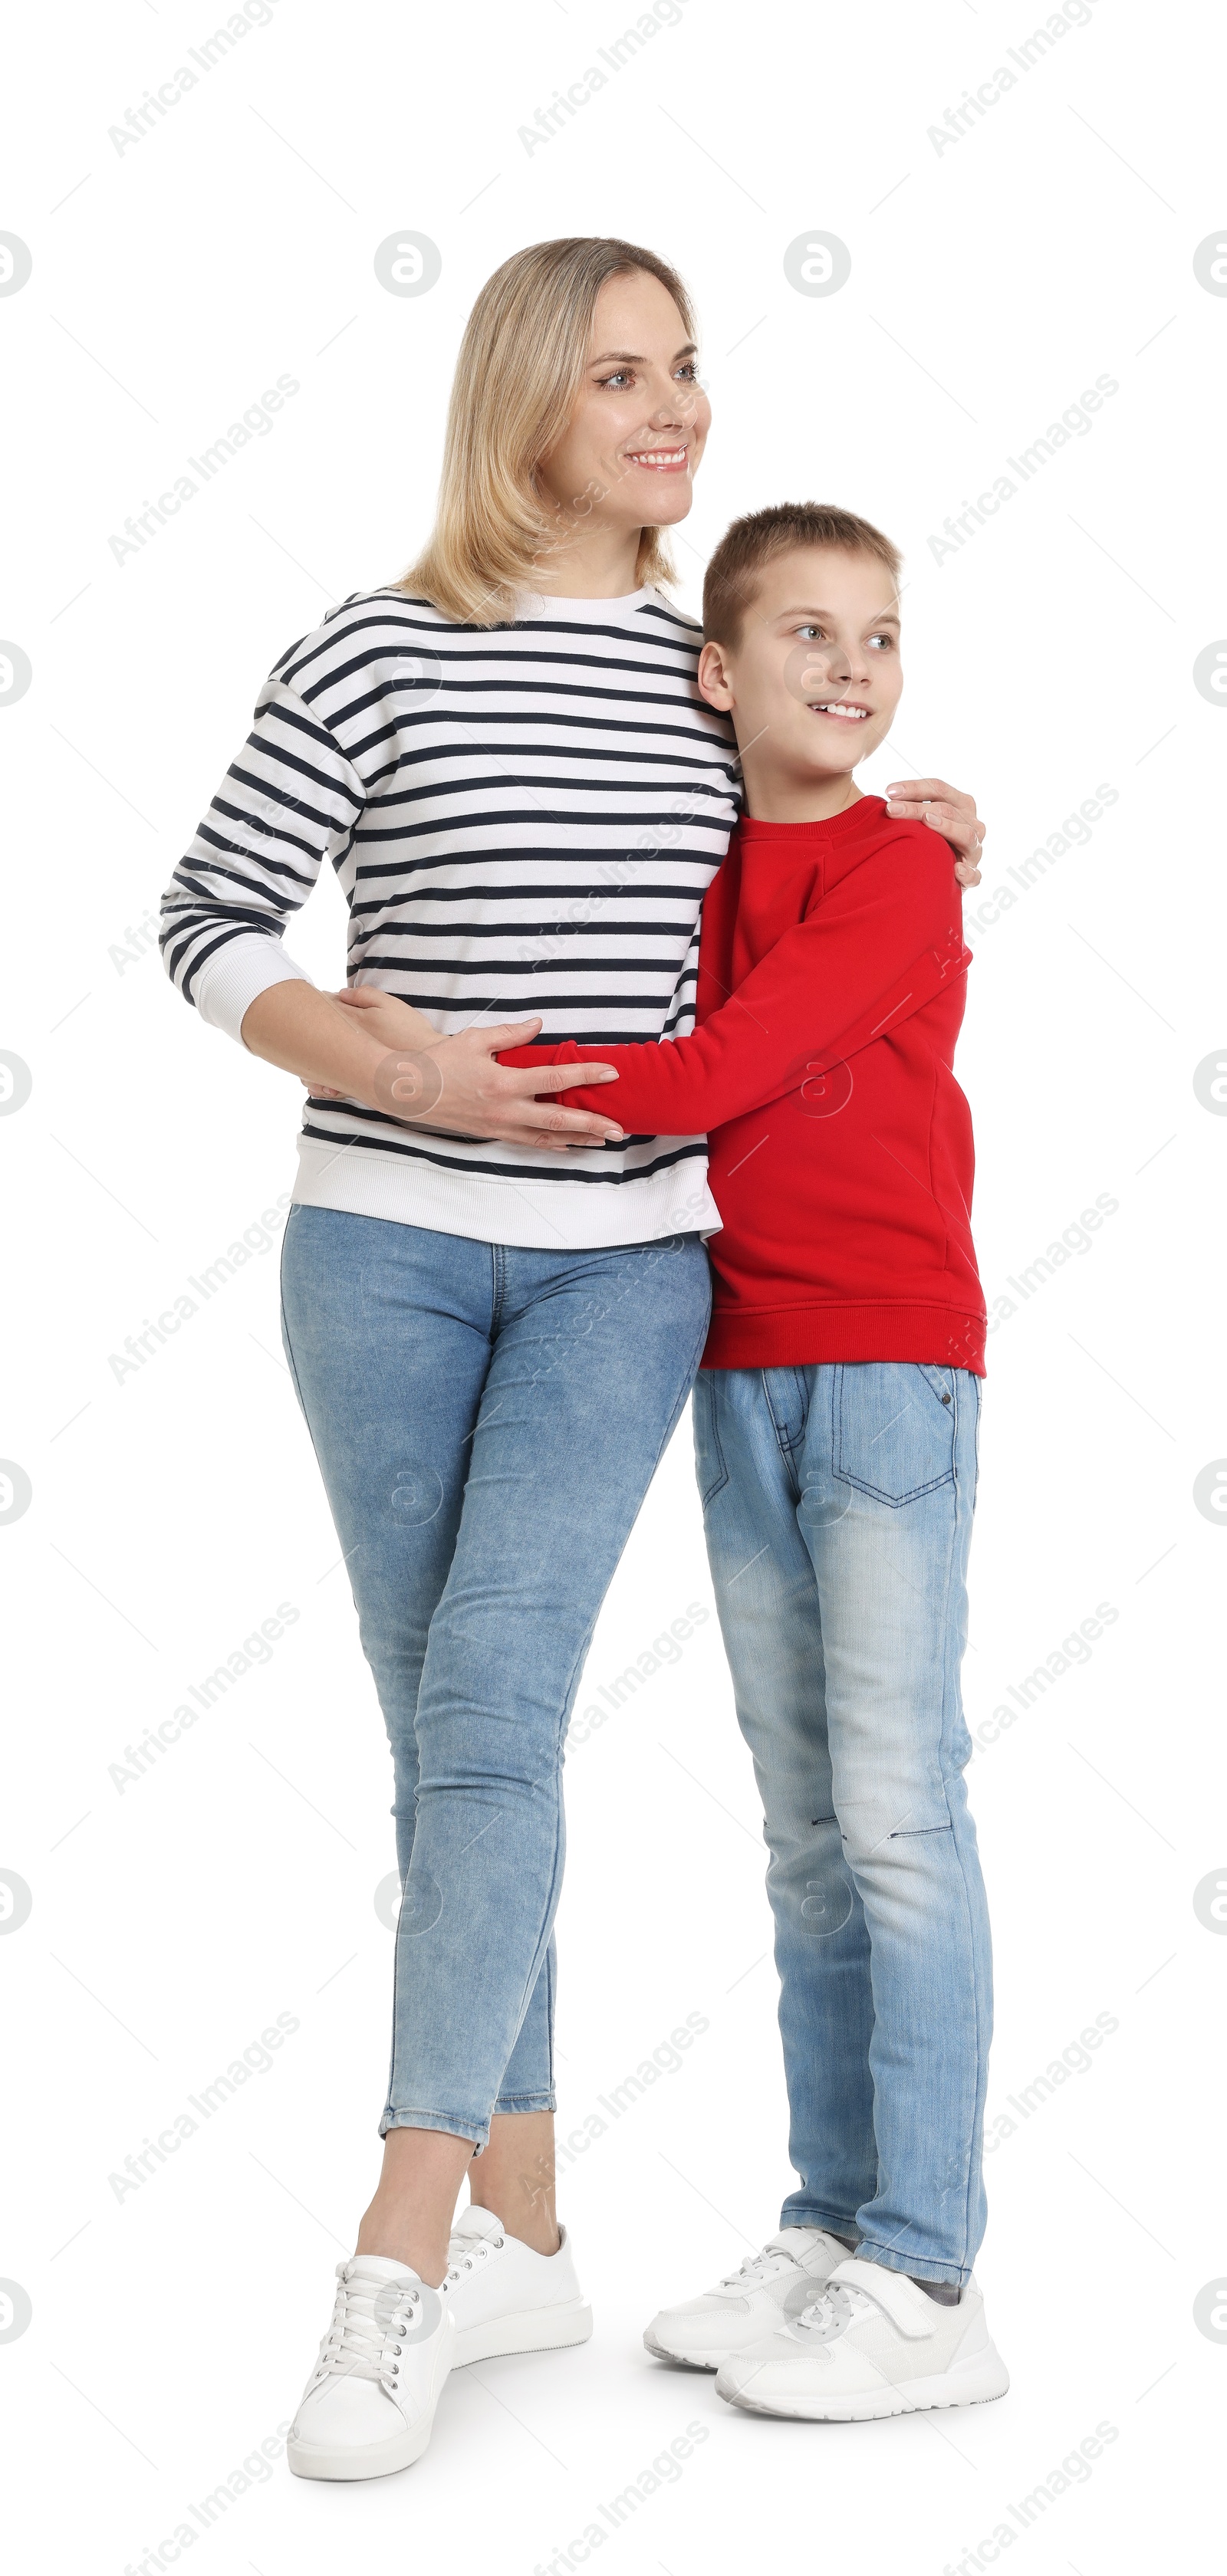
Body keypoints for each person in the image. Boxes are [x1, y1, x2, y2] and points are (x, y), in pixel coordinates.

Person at [158, 237, 986, 2482]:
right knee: (438, 1727)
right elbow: (206, 922)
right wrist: (397, 1070)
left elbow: (817, 840)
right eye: (624, 374)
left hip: (626, 1266)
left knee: (495, 1710)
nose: (675, 410)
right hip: (380, 1259)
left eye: (691, 371)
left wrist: (921, 814)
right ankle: (525, 2214)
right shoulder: (370, 647)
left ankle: (401, 2241)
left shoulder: (705, 679)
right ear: (524, 395)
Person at [495, 501, 1006, 2420]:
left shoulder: (895, 872)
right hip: (745, 1363)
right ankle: (830, 2226)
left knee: (894, 1814)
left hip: (885, 1366)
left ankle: (932, 2274)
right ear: (715, 672)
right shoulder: (705, 860)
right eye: (804, 633)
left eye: (878, 636)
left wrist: (468, 1069)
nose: (850, 668)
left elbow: (710, 1074)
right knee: (804, 1838)